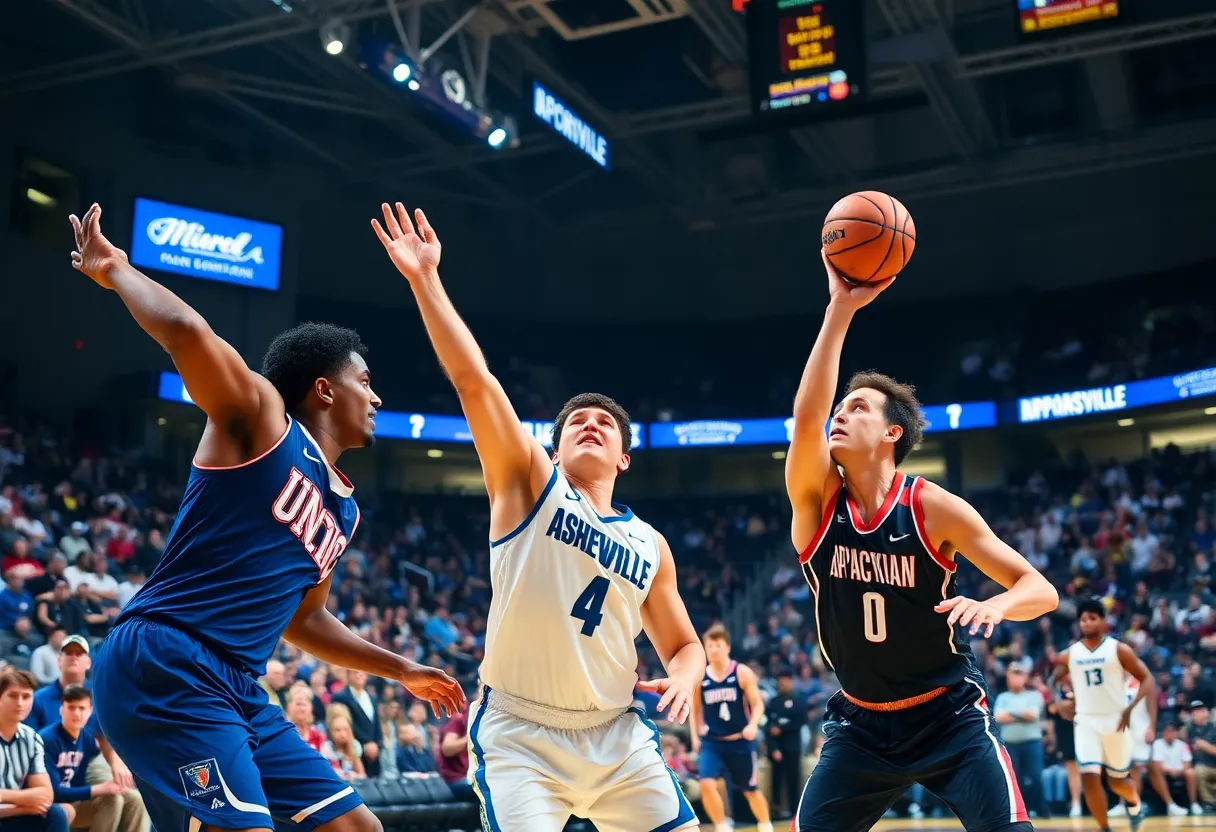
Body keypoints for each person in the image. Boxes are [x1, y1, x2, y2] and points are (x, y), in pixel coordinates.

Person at [69, 203, 464, 832]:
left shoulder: (345, 507)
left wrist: (400, 667)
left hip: (238, 688)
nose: (378, 396)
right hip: (169, 655)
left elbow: (304, 620)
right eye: (366, 380)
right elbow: (190, 335)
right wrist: (116, 268)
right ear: (326, 389)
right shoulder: (263, 421)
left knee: (360, 827)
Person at [374, 202, 704, 832]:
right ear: (553, 449)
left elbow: (684, 645)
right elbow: (475, 382)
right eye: (577, 420)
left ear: (625, 459)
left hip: (616, 737)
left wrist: (686, 678)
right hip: (521, 733)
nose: (592, 423)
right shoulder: (529, 482)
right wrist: (426, 280)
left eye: (606, 423)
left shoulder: (650, 543)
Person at [783, 251, 1059, 832]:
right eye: (840, 405)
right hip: (860, 724)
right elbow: (806, 421)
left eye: (856, 407)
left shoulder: (933, 507)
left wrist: (995, 604)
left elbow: (1041, 589)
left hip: (948, 716)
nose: (839, 414)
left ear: (892, 432)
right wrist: (839, 309)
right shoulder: (816, 503)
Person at [1061, 598, 1155, 831]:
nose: (1086, 623)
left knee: (1117, 780)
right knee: (1089, 776)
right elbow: (1053, 681)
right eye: (1083, 619)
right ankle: (1104, 828)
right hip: (1085, 720)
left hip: (1115, 719)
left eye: (1092, 618)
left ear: (1103, 621)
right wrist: (1058, 701)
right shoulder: (1070, 654)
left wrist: (1129, 710)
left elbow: (1148, 679)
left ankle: (1134, 803)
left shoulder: (1119, 649)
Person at [690, 624, 773, 832]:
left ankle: (765, 825)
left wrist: (753, 725)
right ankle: (722, 826)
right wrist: (695, 736)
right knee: (706, 784)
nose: (714, 650)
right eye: (709, 646)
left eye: (718, 645)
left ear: (727, 647)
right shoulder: (701, 676)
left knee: (750, 790)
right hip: (713, 742)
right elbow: (695, 710)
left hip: (739, 740)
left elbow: (757, 704)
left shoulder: (741, 672)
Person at [39, 685, 147, 832]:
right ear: (61, 709)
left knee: (136, 800)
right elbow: (54, 792)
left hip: (76, 800)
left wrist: (122, 780)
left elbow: (103, 761)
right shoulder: (48, 740)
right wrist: (100, 789)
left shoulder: (87, 738)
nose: (76, 713)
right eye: (71, 707)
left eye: (82, 708)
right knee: (111, 801)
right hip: (53, 806)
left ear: (90, 711)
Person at [0, 668, 68, 832]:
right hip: (11, 812)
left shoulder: (31, 738)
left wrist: (4, 795)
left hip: (11, 814)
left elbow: (46, 795)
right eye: (13, 696)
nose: (20, 703)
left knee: (56, 814)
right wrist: (25, 805)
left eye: (26, 696)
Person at [993, 666, 1048, 818]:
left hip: (1032, 742)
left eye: (1019, 675)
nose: (1016, 678)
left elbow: (1033, 715)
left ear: (1025, 678)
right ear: (1007, 678)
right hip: (1010, 743)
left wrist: (1010, 713)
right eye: (1013, 675)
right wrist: (1022, 714)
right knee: (1013, 779)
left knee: (1036, 777)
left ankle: (1040, 809)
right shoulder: (1003, 697)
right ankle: (1017, 811)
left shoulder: (1034, 695)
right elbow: (998, 717)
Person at [1110, 674, 1155, 818]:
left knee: (1135, 768)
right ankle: (1123, 804)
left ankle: (1133, 804)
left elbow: (1152, 705)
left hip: (1139, 729)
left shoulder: (1143, 679)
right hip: (1120, 730)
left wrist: (1152, 727)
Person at [765, 667, 807, 820]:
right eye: (780, 680)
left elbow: (801, 720)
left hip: (793, 746)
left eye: (785, 679)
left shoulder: (799, 701)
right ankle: (776, 809)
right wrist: (773, 747)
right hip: (777, 747)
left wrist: (781, 727)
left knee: (793, 778)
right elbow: (767, 723)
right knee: (776, 779)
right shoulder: (773, 702)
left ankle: (795, 810)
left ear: (791, 681)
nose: (782, 683)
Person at [1148, 723, 1198, 816]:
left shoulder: (1183, 744)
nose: (1170, 733)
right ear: (1163, 733)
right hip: (1165, 772)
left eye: (1172, 731)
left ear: (1176, 732)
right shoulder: (1157, 743)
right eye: (1167, 731)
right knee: (1156, 771)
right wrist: (1170, 770)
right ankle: (1171, 805)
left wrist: (1179, 770)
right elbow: (1157, 763)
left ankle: (1194, 804)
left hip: (1181, 771)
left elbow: (1187, 763)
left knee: (1191, 772)